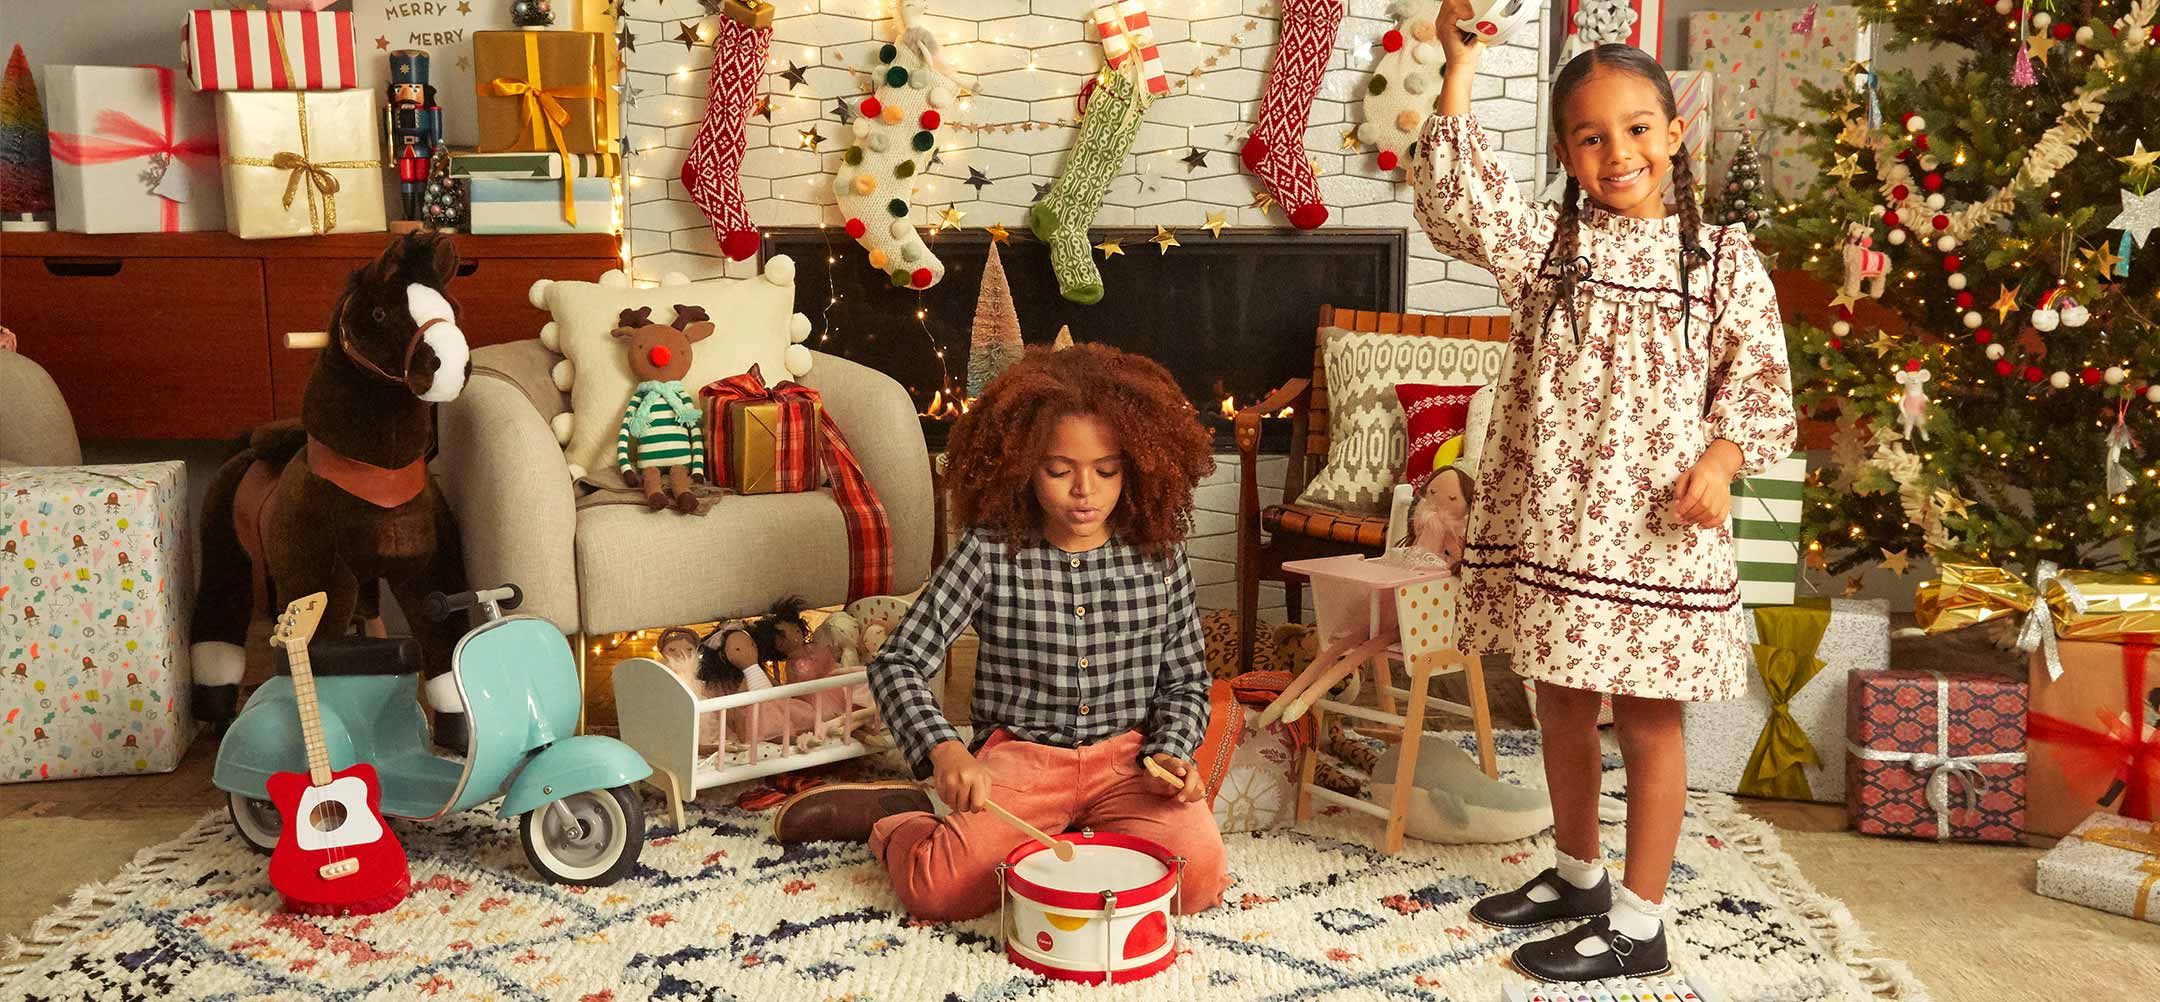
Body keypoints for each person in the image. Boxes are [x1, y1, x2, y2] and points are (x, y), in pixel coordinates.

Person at [1417, 4, 1796, 981]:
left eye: (1636, 129)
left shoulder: (1723, 263)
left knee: (1647, 717)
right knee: (1559, 697)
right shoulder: (1547, 246)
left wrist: (1718, 464)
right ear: (1565, 150)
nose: (1616, 151)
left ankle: (1640, 919)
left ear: (1675, 135)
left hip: (1655, 535)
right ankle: (1578, 873)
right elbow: (1462, 200)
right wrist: (1456, 69)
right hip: (1559, 523)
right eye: (1590, 136)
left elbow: (1755, 385)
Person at [771, 343, 1229, 922]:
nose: (1084, 490)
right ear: (1021, 469)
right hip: (1020, 763)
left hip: (1127, 765)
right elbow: (898, 662)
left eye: (1106, 470)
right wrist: (946, 750)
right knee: (939, 893)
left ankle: (1072, 830)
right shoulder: (989, 552)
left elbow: (1187, 683)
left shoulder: (1162, 558)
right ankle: (902, 821)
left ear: (1135, 467)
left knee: (1200, 881)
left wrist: (1173, 753)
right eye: (1059, 470)